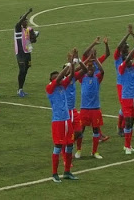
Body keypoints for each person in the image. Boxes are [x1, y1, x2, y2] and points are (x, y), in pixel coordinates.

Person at [46, 53, 79, 183]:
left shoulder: (62, 86)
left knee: (70, 145)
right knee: (58, 145)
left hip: (66, 120)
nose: (59, 79)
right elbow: (61, 76)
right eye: (56, 78)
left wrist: (72, 63)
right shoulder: (50, 88)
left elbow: (70, 76)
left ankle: (67, 172)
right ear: (52, 80)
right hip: (58, 121)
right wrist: (69, 64)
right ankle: (54, 173)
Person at [74, 57, 105, 159]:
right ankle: (78, 150)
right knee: (80, 130)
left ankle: (94, 151)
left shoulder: (97, 78)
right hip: (84, 109)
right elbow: (77, 71)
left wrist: (96, 59)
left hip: (95, 109)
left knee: (96, 130)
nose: (90, 71)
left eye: (92, 70)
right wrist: (83, 61)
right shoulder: (83, 78)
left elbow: (102, 70)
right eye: (89, 70)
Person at [82, 36, 110, 142]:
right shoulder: (86, 60)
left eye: (95, 52)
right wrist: (93, 43)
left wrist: (106, 44)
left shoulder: (97, 62)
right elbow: (84, 53)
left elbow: (107, 54)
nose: (94, 54)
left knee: (95, 110)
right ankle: (80, 136)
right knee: (91, 111)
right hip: (87, 83)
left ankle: (98, 135)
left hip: (96, 83)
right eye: (92, 52)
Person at [114, 24, 134, 137]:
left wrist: (133, 34)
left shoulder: (129, 57)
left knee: (124, 108)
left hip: (129, 85)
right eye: (126, 47)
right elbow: (118, 47)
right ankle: (121, 127)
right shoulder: (117, 57)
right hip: (121, 85)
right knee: (124, 108)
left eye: (128, 48)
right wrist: (127, 34)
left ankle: (124, 127)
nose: (127, 49)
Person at [14, 8, 38, 97]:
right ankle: (19, 89)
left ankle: (21, 89)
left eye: (26, 21)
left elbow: (32, 40)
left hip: (27, 52)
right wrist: (27, 12)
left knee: (26, 70)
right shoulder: (17, 28)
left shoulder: (29, 29)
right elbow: (20, 23)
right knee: (22, 69)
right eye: (24, 20)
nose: (26, 22)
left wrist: (34, 37)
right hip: (20, 53)